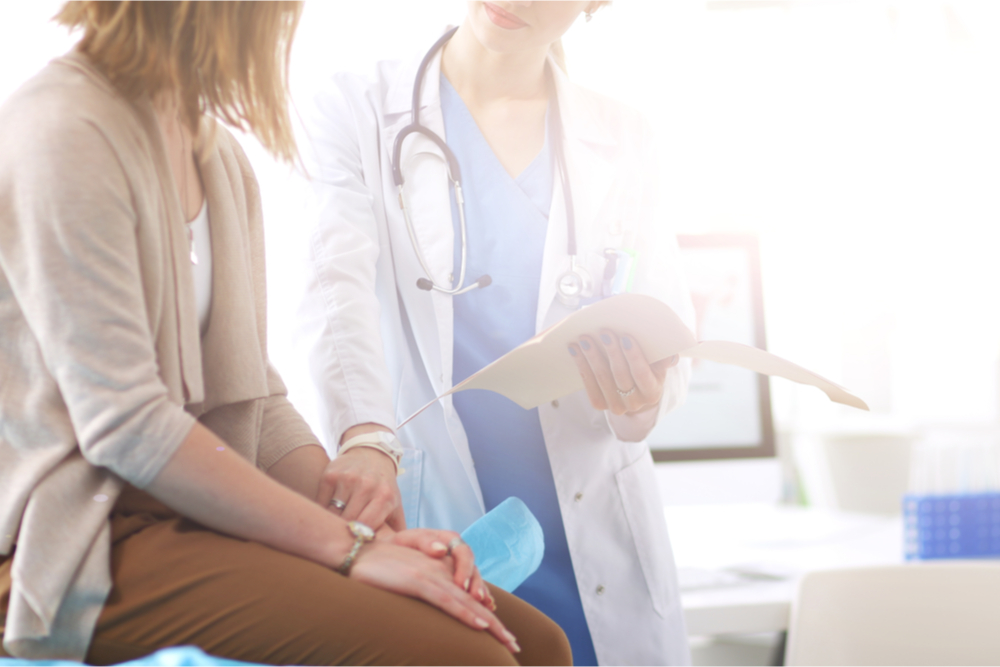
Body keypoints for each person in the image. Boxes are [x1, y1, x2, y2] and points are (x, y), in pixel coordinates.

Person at [0, 2, 571, 665]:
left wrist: (357, 517)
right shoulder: (65, 129)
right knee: (469, 657)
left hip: (188, 519)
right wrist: (350, 548)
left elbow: (254, 397)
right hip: (82, 540)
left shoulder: (215, 154)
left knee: (541, 644)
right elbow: (127, 423)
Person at [297, 1, 696, 664]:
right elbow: (329, 290)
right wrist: (363, 433)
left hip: (594, 540)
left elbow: (670, 331)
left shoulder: (625, 139)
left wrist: (643, 394)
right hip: (449, 522)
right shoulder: (356, 109)